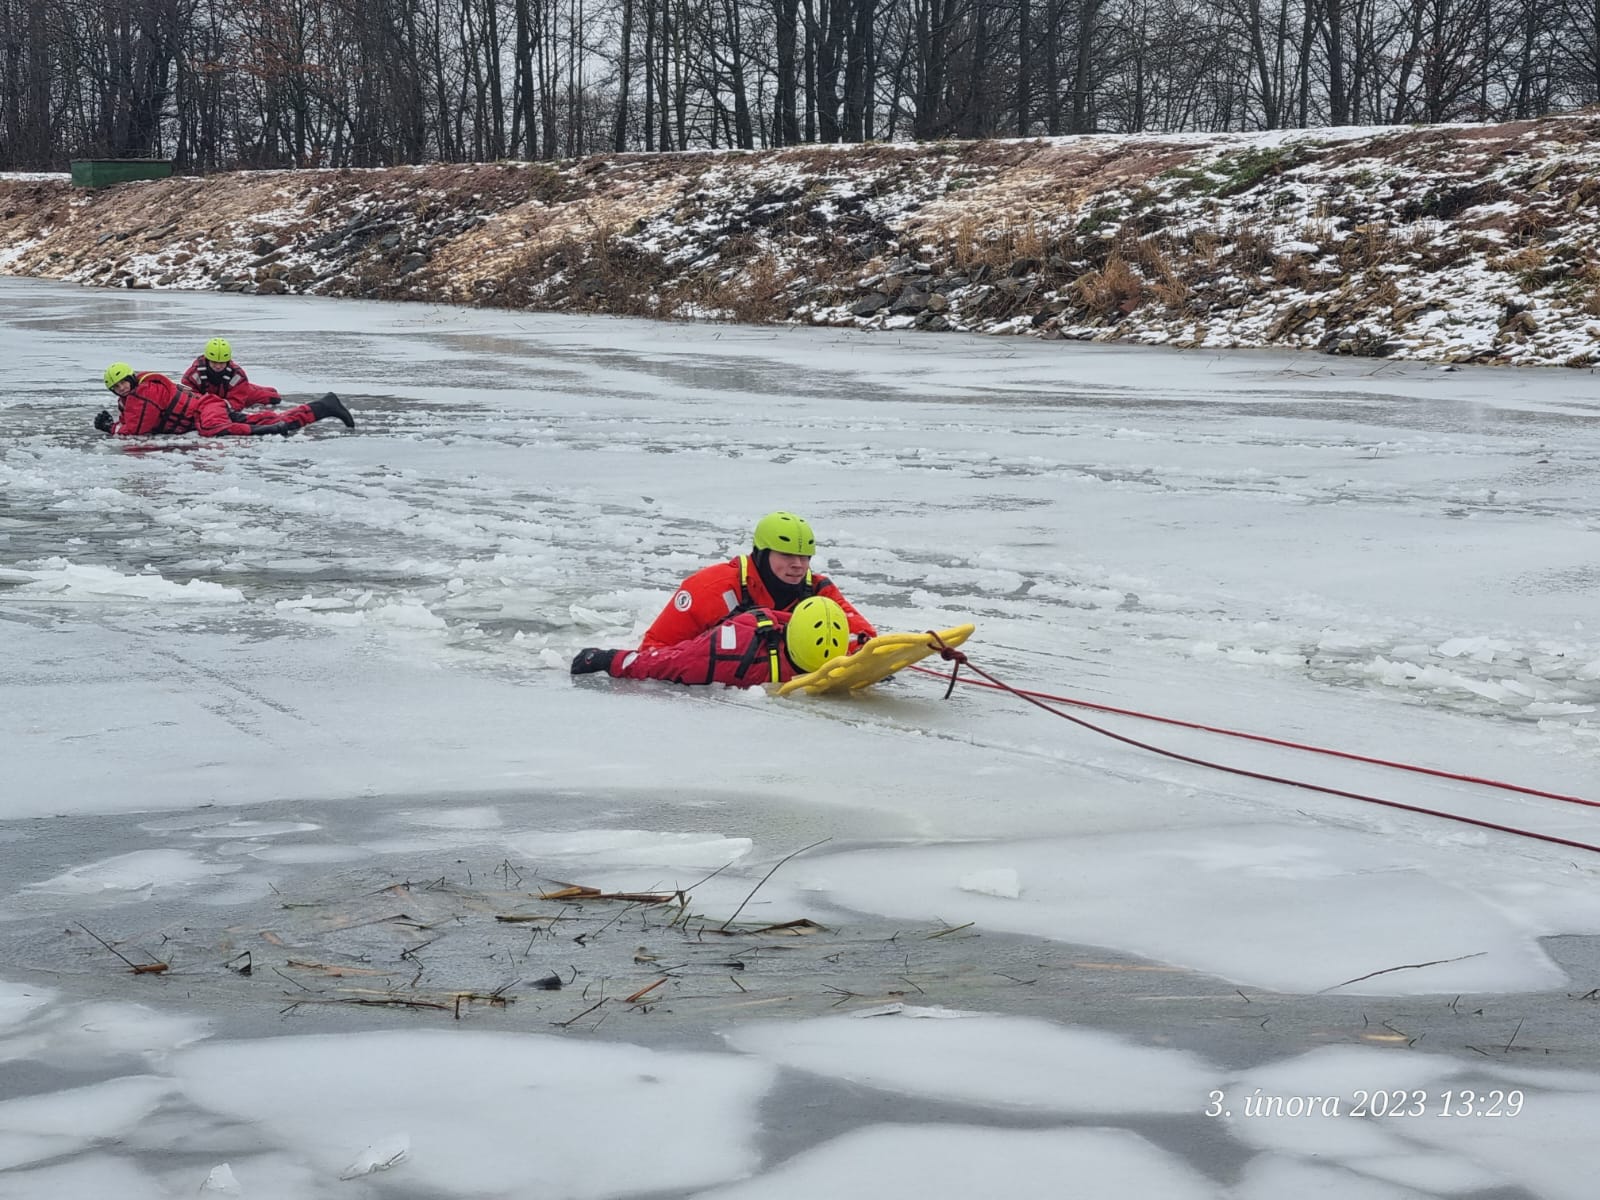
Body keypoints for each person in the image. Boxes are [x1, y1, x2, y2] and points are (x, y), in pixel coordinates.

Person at [637, 511, 875, 651]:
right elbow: (653, 648)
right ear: (761, 555)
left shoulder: (817, 590)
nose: (798, 565)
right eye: (787, 554)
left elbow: (864, 637)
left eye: (804, 557)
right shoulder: (710, 587)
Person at [572, 596, 851, 686]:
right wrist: (607, 659)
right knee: (683, 657)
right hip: (731, 637)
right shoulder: (730, 658)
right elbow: (664, 663)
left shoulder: (825, 635)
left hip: (760, 622)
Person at [94, 363, 354, 438]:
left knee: (213, 429)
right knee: (271, 417)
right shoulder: (137, 395)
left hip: (207, 409)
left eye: (124, 382)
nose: (122, 388)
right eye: (117, 387)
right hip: (208, 406)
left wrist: (112, 428)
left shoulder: (143, 393)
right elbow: (135, 420)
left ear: (131, 378)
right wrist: (116, 423)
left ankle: (268, 430)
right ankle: (322, 407)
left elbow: (140, 428)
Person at [180, 337, 289, 411]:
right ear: (207, 360)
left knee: (272, 397)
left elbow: (237, 403)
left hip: (233, 393)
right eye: (214, 362)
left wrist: (218, 404)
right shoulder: (193, 374)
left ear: (228, 361)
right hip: (212, 397)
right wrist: (205, 402)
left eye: (222, 363)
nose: (218, 366)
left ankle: (271, 393)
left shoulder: (237, 375)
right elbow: (186, 395)